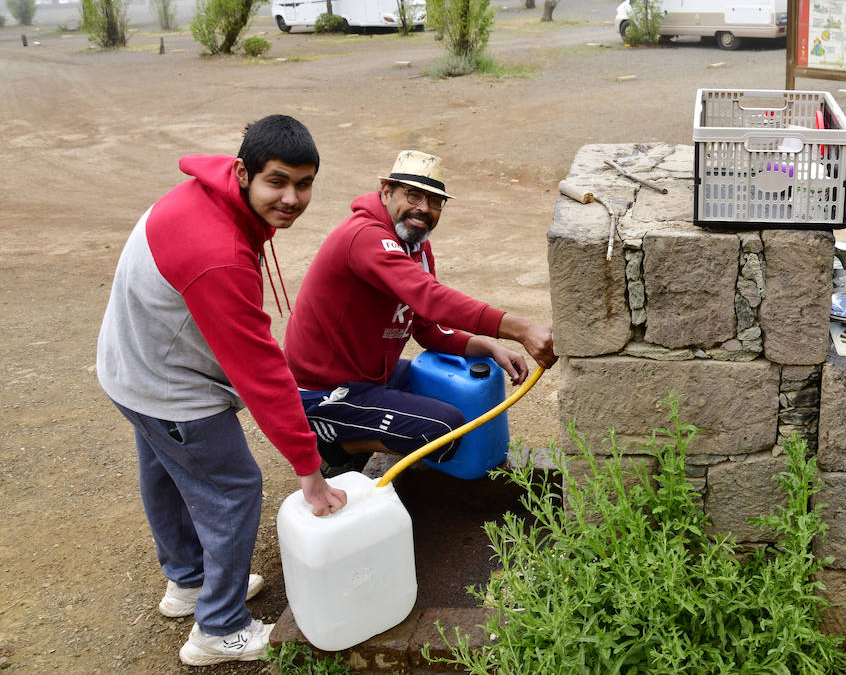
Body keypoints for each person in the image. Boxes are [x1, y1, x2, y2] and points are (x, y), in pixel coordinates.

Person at [97, 115, 348, 667]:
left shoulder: (204, 191)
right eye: (277, 182)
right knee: (233, 487)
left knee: (165, 470)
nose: (292, 198)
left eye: (304, 184)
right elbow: (259, 370)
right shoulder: (221, 253)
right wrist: (310, 472)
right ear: (243, 172)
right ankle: (219, 627)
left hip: (128, 368)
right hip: (167, 384)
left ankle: (188, 582)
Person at [285, 150, 557, 471]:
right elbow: (429, 297)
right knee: (443, 429)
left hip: (371, 377)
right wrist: (521, 329)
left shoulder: (416, 245)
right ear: (387, 191)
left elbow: (428, 327)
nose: (423, 209)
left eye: (434, 201)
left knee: (452, 396)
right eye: (413, 194)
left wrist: (490, 348)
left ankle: (365, 429)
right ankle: (332, 448)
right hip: (322, 392)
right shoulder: (365, 236)